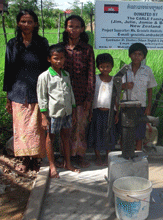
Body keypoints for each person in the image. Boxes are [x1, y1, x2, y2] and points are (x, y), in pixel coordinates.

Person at [3, 9, 49, 172]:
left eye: (30, 21)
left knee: (37, 129)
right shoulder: (12, 44)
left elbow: (47, 69)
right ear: (18, 23)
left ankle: (36, 160)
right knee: (21, 128)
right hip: (17, 92)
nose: (26, 25)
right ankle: (24, 159)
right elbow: (8, 70)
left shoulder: (42, 43)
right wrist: (8, 96)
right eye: (23, 21)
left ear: (35, 24)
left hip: (37, 92)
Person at [37, 44, 80, 178]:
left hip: (66, 112)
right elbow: (42, 96)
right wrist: (44, 116)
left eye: (61, 58)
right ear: (49, 59)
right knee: (51, 138)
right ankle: (52, 165)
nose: (59, 61)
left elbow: (71, 93)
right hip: (53, 114)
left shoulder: (66, 74)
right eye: (56, 58)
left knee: (66, 137)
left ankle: (67, 163)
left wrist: (73, 111)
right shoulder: (45, 76)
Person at [61, 15, 95, 168]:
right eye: (70, 26)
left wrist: (89, 97)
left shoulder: (87, 49)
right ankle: (65, 157)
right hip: (63, 96)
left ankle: (79, 156)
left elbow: (91, 74)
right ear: (66, 28)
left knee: (80, 127)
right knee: (65, 127)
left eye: (76, 27)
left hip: (81, 95)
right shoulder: (60, 49)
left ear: (82, 29)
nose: (73, 30)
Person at [122, 43, 157, 151]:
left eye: (139, 54)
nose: (136, 56)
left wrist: (148, 107)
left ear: (144, 57)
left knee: (139, 132)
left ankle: (138, 154)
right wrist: (125, 86)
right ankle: (126, 154)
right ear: (129, 55)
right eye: (134, 54)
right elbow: (118, 86)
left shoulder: (147, 70)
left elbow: (150, 89)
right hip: (126, 106)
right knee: (125, 132)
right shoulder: (125, 69)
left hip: (141, 106)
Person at [88, 53, 118, 166]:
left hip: (110, 113)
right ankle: (98, 157)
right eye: (102, 66)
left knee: (108, 135)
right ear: (98, 67)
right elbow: (91, 97)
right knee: (96, 134)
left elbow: (116, 97)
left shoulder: (114, 80)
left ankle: (107, 157)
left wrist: (116, 113)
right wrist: (90, 112)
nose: (105, 69)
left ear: (111, 67)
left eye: (107, 66)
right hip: (97, 112)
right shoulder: (95, 79)